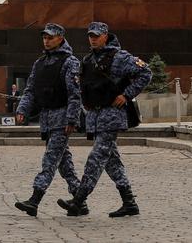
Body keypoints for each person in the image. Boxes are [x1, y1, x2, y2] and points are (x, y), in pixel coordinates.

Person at [56, 22, 151, 219]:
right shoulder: (88, 59)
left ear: (106, 36)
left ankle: (79, 200)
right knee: (111, 162)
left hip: (112, 115)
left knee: (96, 158)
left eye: (97, 35)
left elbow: (145, 73)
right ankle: (129, 203)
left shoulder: (120, 57)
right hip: (95, 117)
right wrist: (86, 103)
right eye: (90, 35)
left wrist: (126, 95)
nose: (93, 38)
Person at [14, 23, 84, 217]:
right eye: (44, 37)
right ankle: (79, 200)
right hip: (47, 119)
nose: (46, 40)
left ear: (60, 38)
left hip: (62, 120)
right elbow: (30, 90)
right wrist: (22, 110)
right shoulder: (40, 63)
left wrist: (72, 119)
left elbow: (74, 94)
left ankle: (34, 200)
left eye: (50, 37)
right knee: (64, 162)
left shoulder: (70, 62)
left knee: (50, 160)